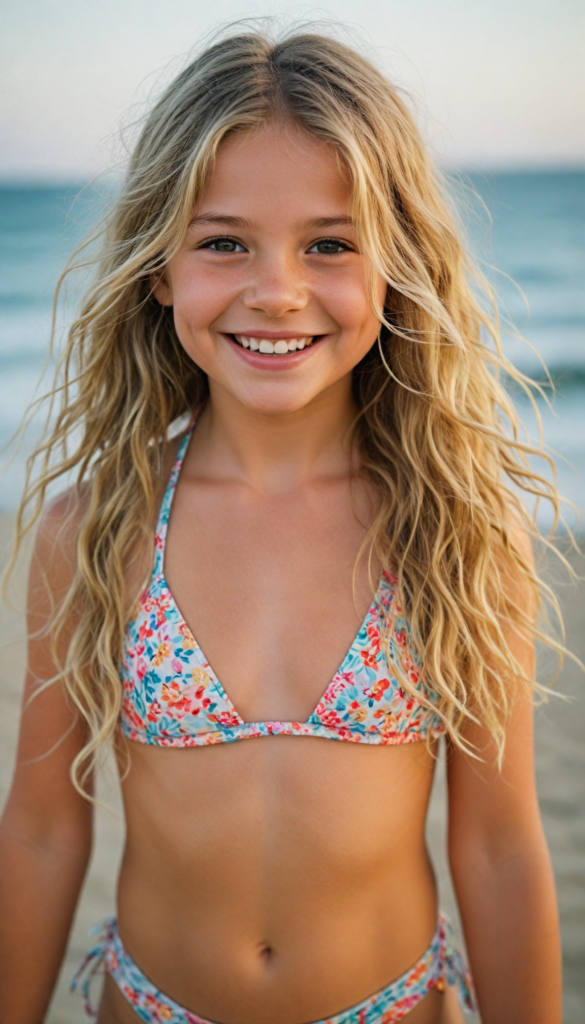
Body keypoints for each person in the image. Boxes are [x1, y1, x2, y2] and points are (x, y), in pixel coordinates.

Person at [0, 28, 564, 1024]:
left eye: (329, 244)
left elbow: (498, 843)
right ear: (159, 267)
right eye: (224, 242)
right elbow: (43, 829)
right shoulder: (94, 529)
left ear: (395, 267)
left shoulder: (454, 531)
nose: (276, 291)